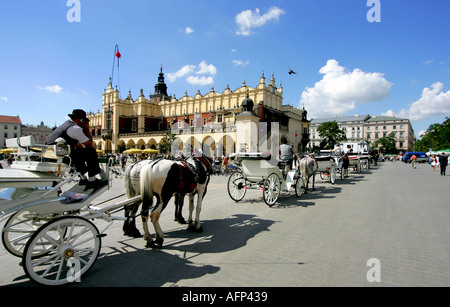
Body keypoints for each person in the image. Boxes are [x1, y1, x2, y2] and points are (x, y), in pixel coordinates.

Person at [46, 109, 107, 190]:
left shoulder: (66, 126)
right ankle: (92, 180)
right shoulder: (75, 129)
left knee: (78, 153)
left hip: (52, 155)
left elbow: (79, 146)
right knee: (91, 151)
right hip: (60, 158)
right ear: (81, 120)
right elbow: (90, 144)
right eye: (84, 121)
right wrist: (87, 129)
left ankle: (83, 178)